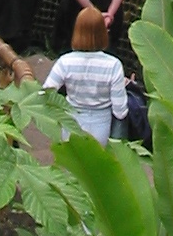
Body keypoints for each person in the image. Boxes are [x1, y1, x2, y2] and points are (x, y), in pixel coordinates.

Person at [43, 8, 128, 143]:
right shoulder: (113, 65)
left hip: (71, 122)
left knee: (73, 162)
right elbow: (120, 110)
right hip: (101, 125)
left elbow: (45, 93)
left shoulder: (65, 62)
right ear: (103, 32)